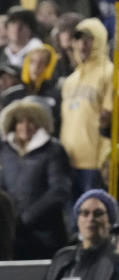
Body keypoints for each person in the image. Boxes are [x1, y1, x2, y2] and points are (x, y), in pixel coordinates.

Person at [0, 98, 71, 260]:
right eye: (20, 121)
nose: (25, 126)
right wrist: (9, 220)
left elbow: (59, 191)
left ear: (40, 123)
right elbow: (0, 189)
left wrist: (26, 218)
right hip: (13, 236)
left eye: (31, 121)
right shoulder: (5, 152)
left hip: (47, 235)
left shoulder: (53, 150)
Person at [59, 18, 112, 198]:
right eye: (78, 39)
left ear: (99, 41)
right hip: (68, 162)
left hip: (94, 164)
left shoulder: (110, 74)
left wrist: (104, 159)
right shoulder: (70, 80)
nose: (82, 44)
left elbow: (109, 120)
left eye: (89, 39)